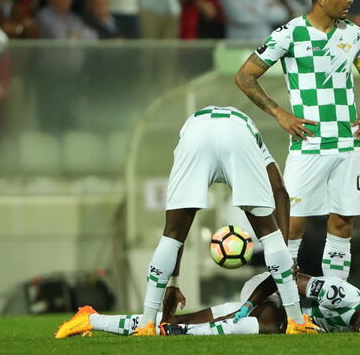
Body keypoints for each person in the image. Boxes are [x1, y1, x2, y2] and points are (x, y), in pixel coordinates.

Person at [236, 0, 360, 283]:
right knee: (292, 224)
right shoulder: (289, 34)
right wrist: (279, 113)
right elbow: (245, 76)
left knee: (342, 223)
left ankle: (335, 302)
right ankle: (287, 303)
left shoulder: (354, 35)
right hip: (308, 143)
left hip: (348, 143)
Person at [128, 105, 318, 336]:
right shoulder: (253, 135)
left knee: (172, 235)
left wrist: (174, 282)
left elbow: (180, 236)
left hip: (195, 133)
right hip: (238, 134)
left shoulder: (188, 131)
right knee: (270, 235)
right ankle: (296, 322)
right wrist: (287, 255)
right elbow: (280, 191)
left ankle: (147, 323)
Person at [56, 270, 360, 338]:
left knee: (190, 320)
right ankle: (174, 331)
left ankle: (92, 318)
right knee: (269, 326)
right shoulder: (339, 295)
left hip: (281, 313)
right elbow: (281, 277)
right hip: (266, 294)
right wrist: (247, 306)